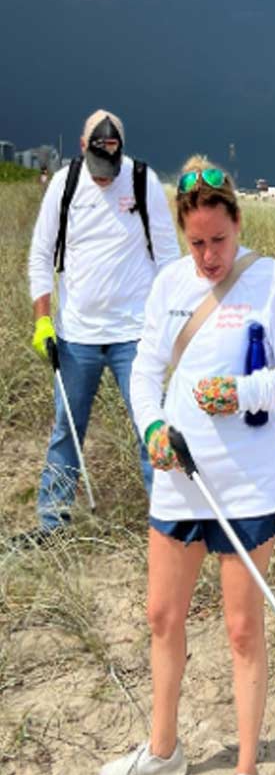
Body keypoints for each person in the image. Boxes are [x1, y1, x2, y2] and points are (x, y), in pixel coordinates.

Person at [108, 157, 275, 775]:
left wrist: (242, 393)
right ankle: (164, 751)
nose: (207, 258)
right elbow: (144, 371)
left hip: (248, 484)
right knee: (162, 614)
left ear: (237, 226)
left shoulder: (270, 280)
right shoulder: (169, 283)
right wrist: (151, 429)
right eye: (196, 243)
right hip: (178, 477)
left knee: (240, 630)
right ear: (181, 235)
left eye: (218, 242)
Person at [20, 108, 178, 544]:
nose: (104, 177)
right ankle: (52, 524)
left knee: (153, 427)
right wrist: (43, 322)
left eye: (111, 167)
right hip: (76, 336)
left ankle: (168, 522)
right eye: (97, 166)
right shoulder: (64, 183)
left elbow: (168, 258)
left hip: (135, 334)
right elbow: (39, 255)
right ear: (82, 147)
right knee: (66, 428)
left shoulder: (143, 181)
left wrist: (168, 325)